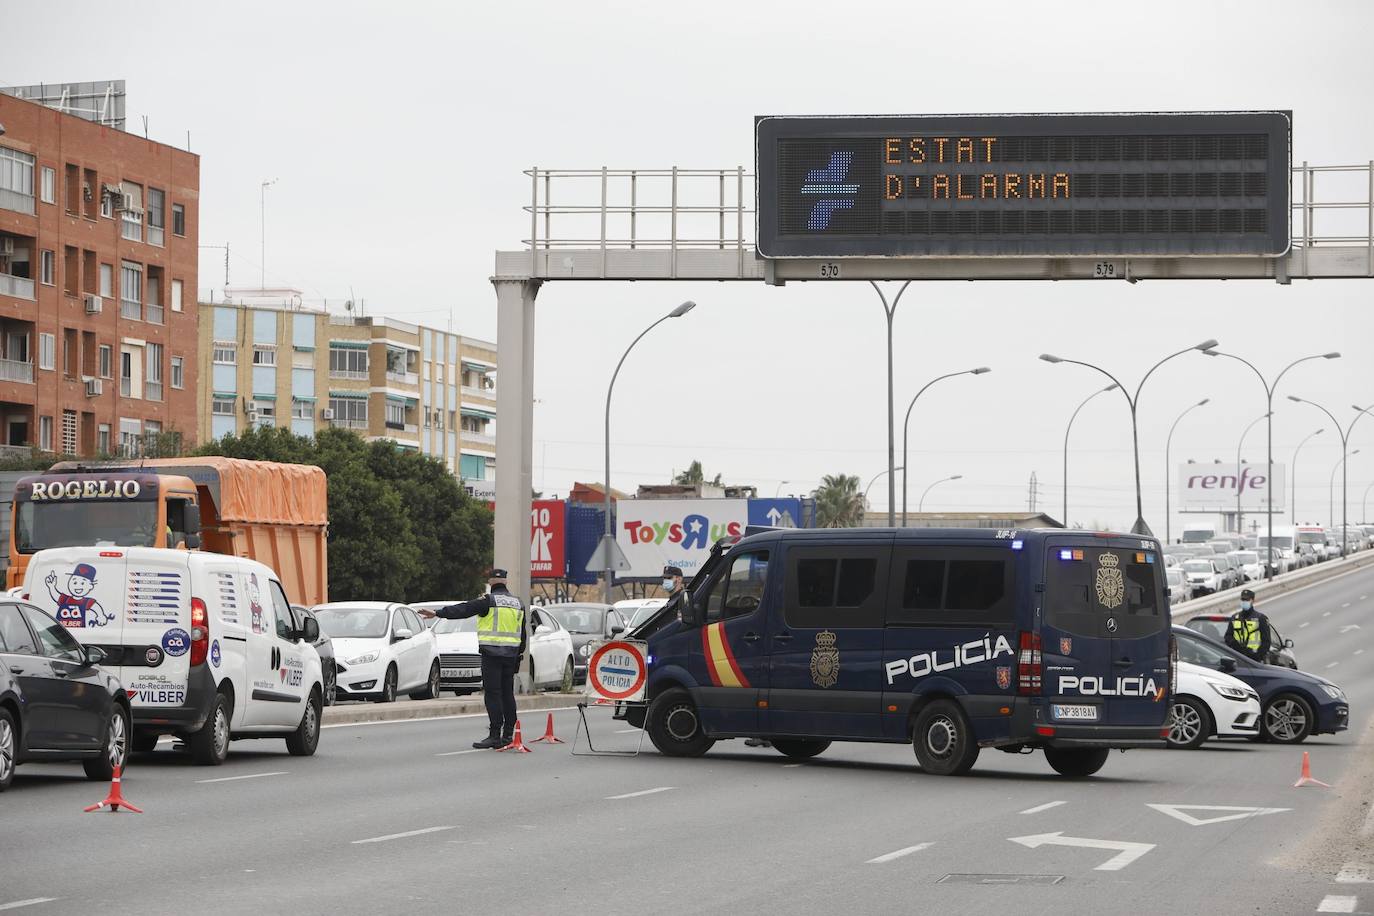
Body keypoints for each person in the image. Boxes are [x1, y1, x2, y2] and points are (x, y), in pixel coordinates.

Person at [417, 568, 527, 749]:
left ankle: (494, 735)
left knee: (493, 694)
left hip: (491, 655)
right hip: (511, 655)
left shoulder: (488, 601)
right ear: (506, 582)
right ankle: (509, 735)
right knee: (508, 694)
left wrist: (437, 613)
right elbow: (523, 633)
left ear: (491, 582)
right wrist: (518, 655)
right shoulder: (518, 603)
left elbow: (464, 609)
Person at [1224, 588, 1271, 663]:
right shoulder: (1234, 618)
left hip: (1254, 660)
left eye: (1247, 600)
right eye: (1242, 600)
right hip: (1237, 657)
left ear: (1252, 600)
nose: (1244, 602)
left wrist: (1258, 655)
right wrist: (1236, 646)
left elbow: (1266, 641)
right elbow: (1228, 636)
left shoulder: (1260, 618)